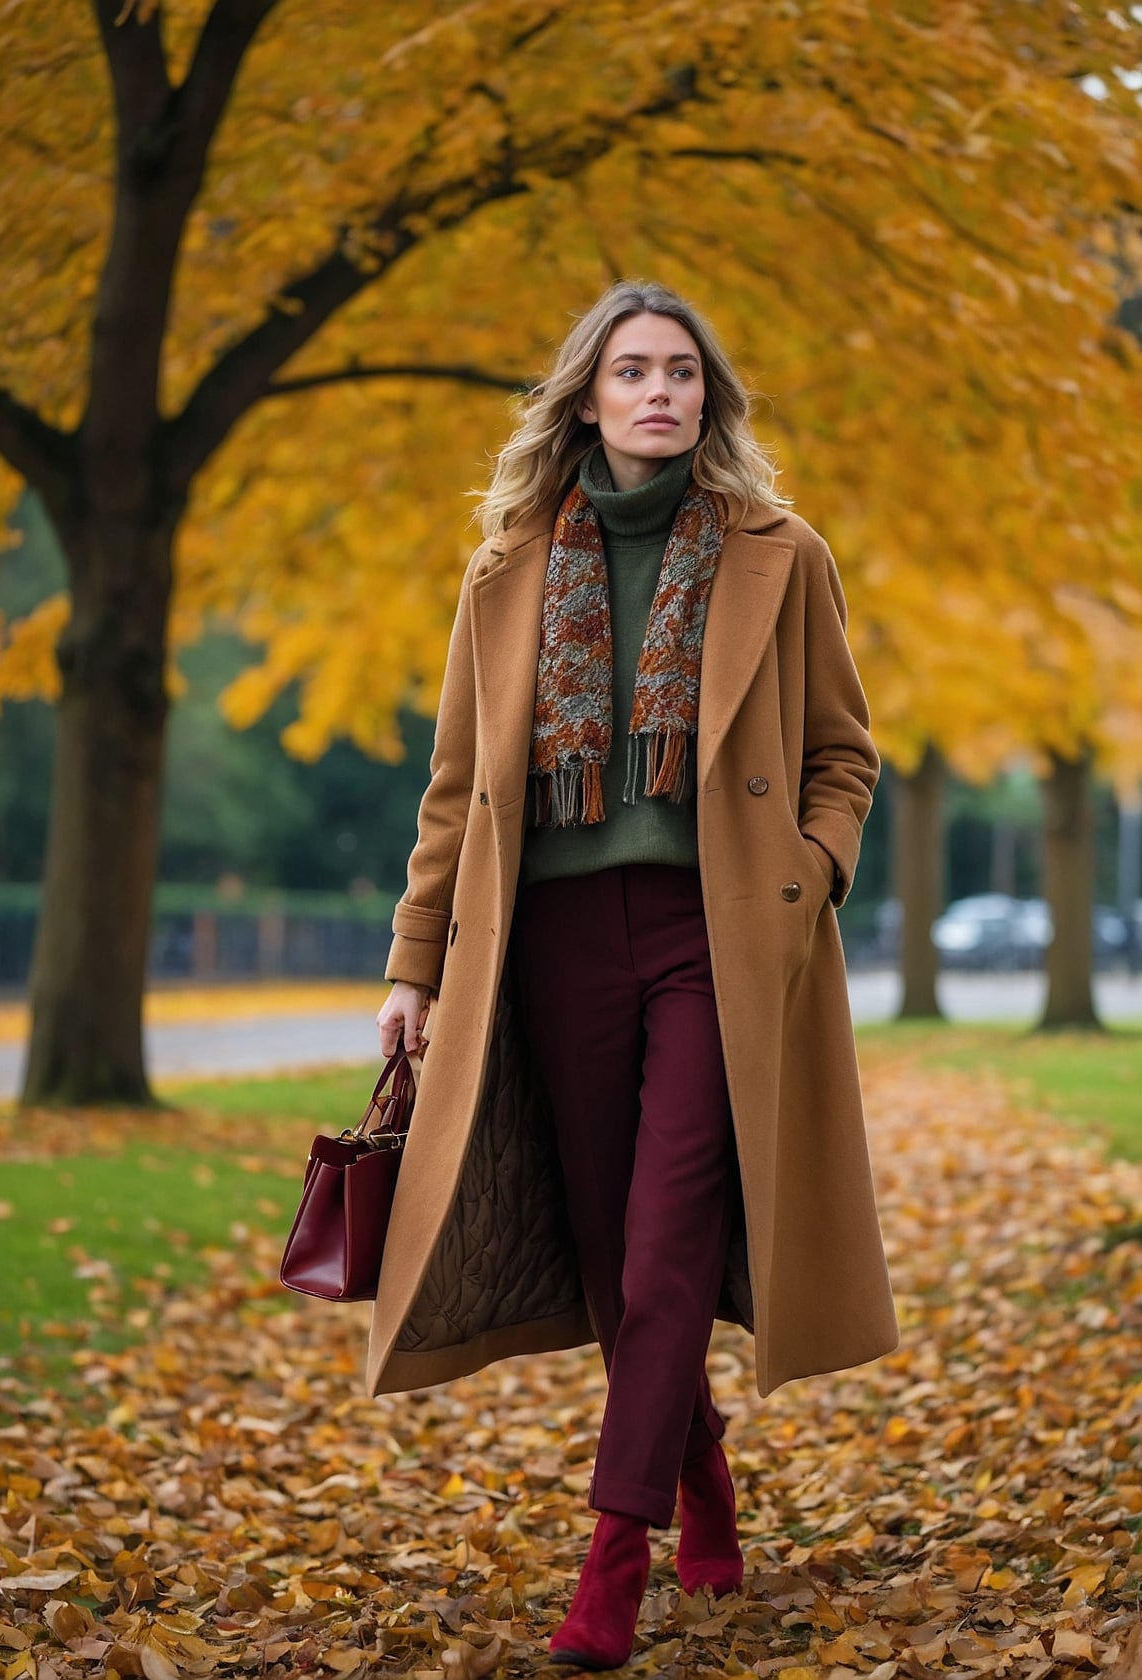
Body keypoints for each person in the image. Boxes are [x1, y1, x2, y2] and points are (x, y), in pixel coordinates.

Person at [372, 279, 898, 1669]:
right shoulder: (504, 573)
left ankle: (612, 1562)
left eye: (680, 372)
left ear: (708, 399)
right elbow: (453, 790)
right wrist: (414, 965)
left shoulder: (781, 556)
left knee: (668, 1237)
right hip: (549, 947)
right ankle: (699, 1468)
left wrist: (807, 881)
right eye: (631, 372)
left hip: (714, 939)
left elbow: (844, 753)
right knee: (613, 1253)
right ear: (588, 399)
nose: (658, 391)